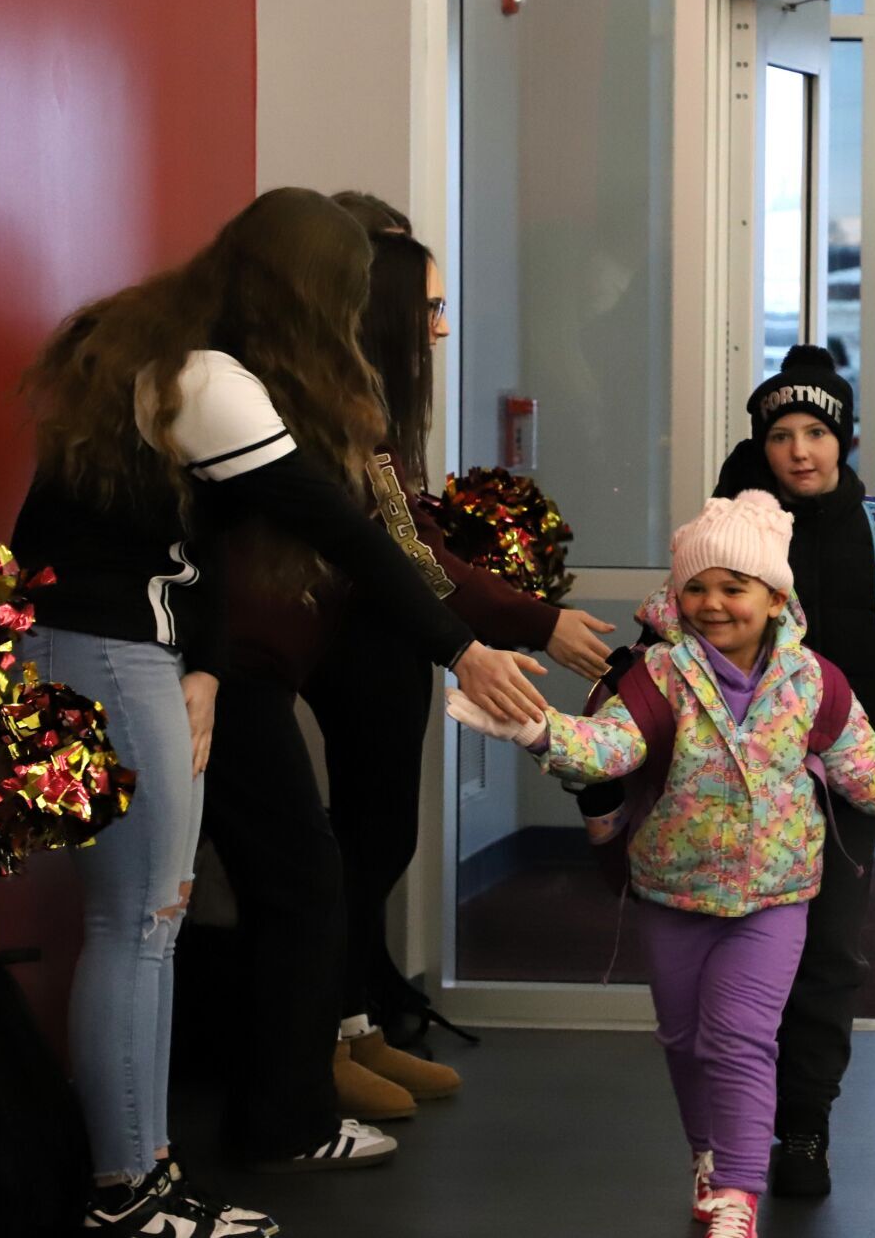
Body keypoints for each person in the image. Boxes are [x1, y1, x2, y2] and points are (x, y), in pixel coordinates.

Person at [11, 187, 548, 1233]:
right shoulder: (208, 380)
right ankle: (129, 1192)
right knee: (137, 923)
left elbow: (185, 535)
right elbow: (347, 532)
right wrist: (465, 649)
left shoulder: (167, 351)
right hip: (112, 654)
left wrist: (204, 664)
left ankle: (143, 1172)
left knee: (144, 925)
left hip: (121, 647)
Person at [449, 490, 875, 1238]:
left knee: (740, 1037)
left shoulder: (815, 681)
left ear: (772, 595)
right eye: (697, 586)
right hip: (673, 888)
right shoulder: (658, 675)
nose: (713, 603)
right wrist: (538, 730)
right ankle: (709, 1152)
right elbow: (610, 748)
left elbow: (866, 770)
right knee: (686, 1040)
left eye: (734, 587)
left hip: (774, 896)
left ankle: (736, 1190)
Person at [294, 229, 616, 1120]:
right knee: (359, 846)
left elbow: (417, 549)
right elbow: (415, 558)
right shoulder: (346, 414)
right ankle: (320, 1041)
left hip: (391, 644)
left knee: (381, 840)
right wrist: (531, 620)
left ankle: (357, 1024)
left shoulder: (373, 409)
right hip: (362, 644)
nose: (442, 328)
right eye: (431, 306)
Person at [712, 343, 875, 1195]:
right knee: (734, 963)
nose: (799, 449)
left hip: (842, 787)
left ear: (843, 438)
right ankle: (732, 1133)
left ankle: (803, 1127)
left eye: (815, 430)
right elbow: (678, 642)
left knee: (827, 955)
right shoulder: (729, 538)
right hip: (733, 788)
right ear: (760, 444)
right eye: (780, 432)